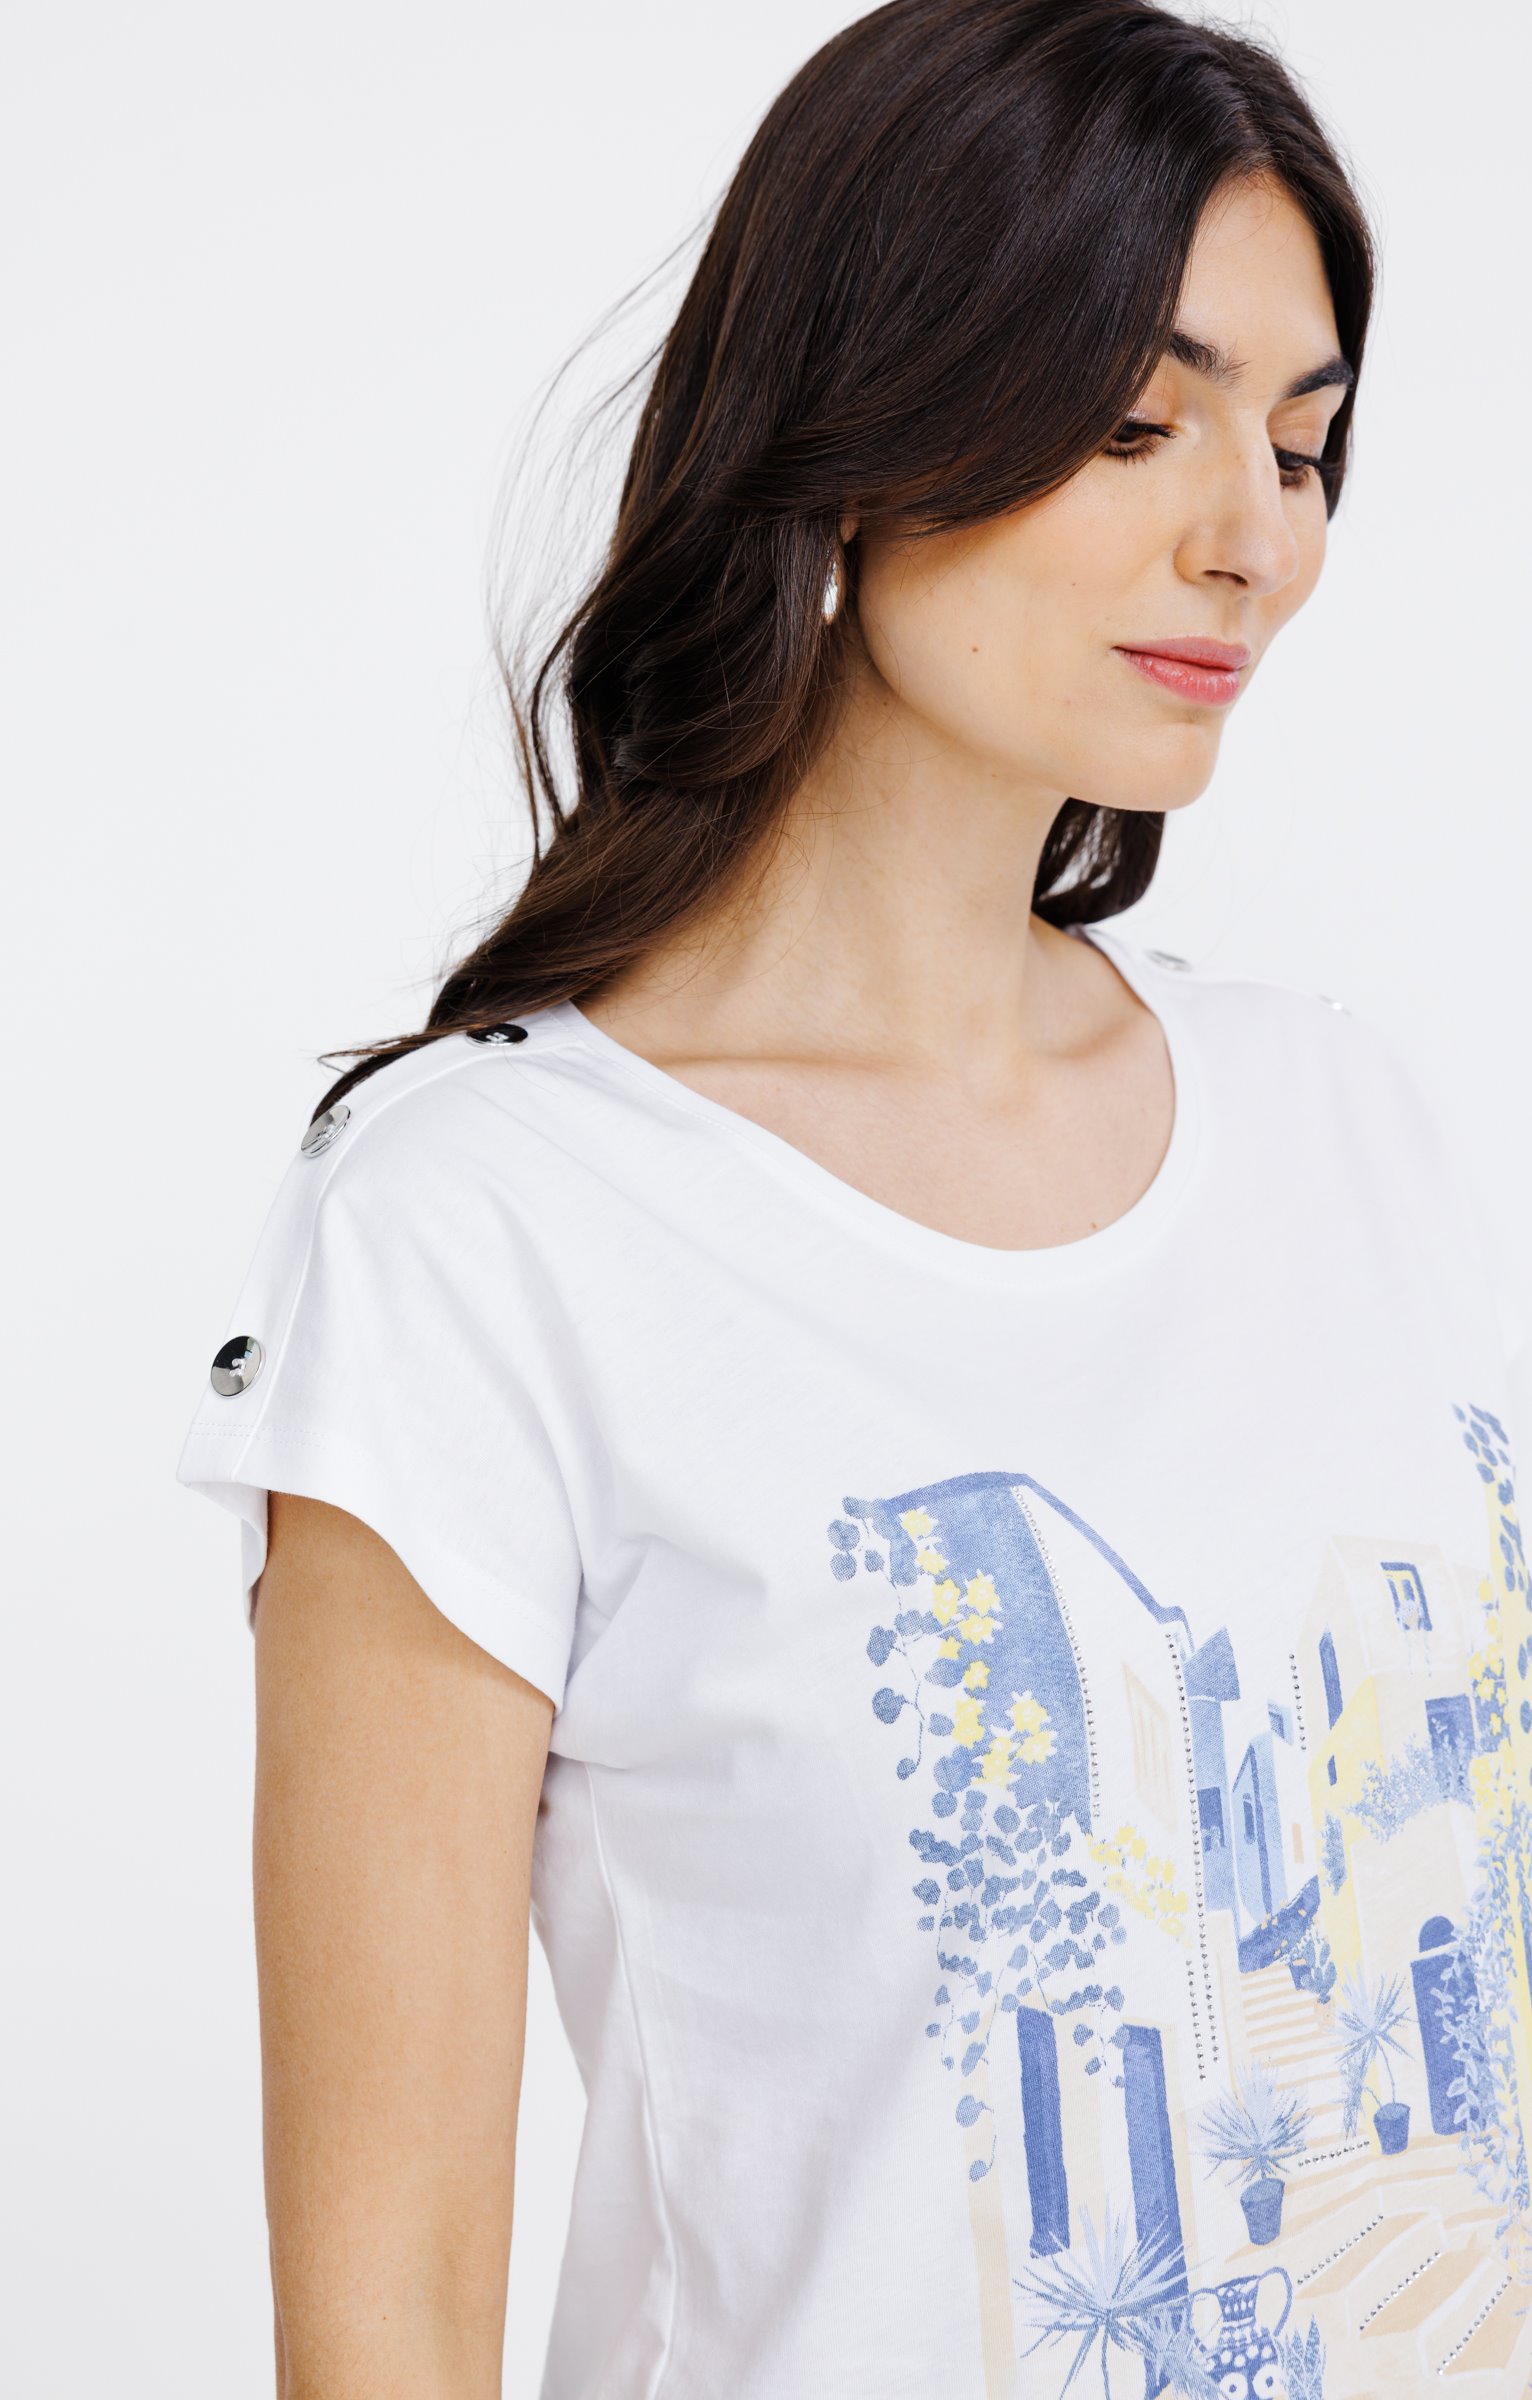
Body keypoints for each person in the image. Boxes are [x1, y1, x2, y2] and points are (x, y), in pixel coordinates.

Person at [176, 3, 1532, 2394]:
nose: (1251, 538)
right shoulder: (489, 1230)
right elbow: (384, 2313)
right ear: (863, 429)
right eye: (1135, 424)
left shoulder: (1350, 1122)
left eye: (1302, 444)